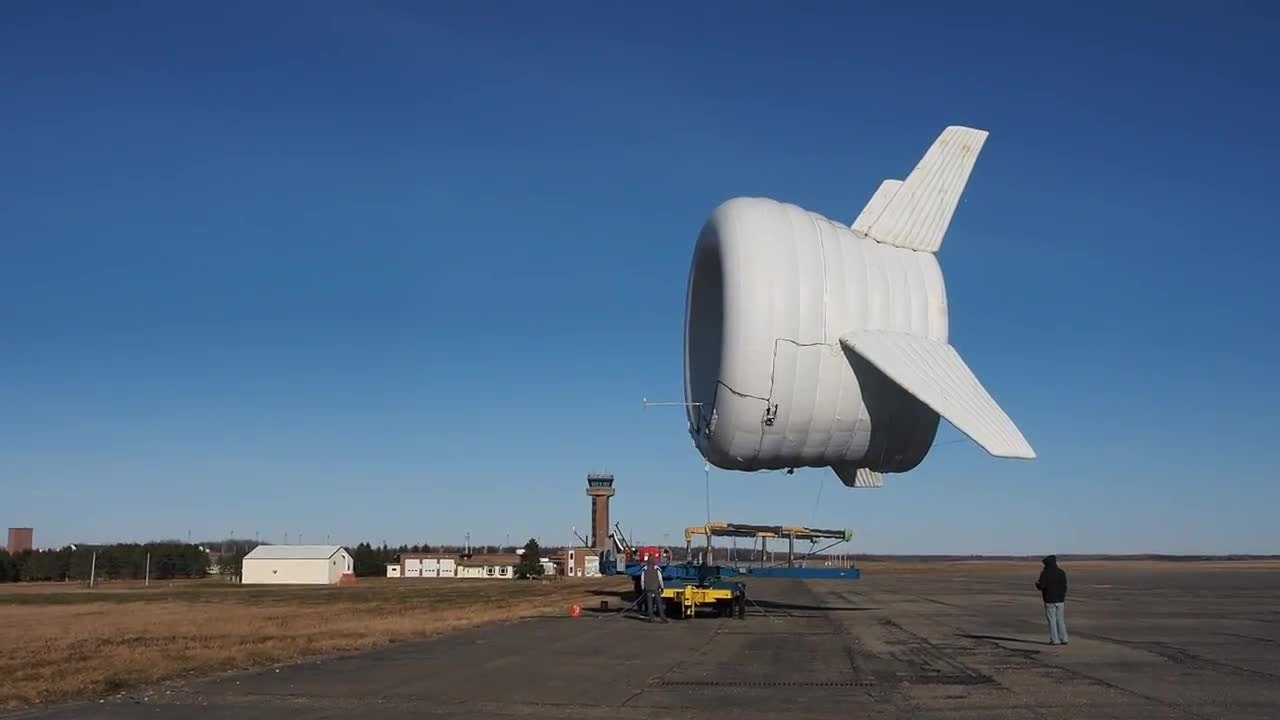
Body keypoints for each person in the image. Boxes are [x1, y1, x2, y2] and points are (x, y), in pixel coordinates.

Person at [1035, 555, 1069, 645]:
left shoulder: (1045, 573)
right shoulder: (1061, 572)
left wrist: (1037, 585)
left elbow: (1041, 586)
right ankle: (1064, 638)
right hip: (1060, 600)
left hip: (1050, 600)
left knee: (1052, 620)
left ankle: (1055, 640)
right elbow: (1065, 586)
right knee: (1060, 620)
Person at [640, 555, 666, 622]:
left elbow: (642, 580)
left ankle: (651, 618)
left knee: (649, 603)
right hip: (655, 588)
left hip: (648, 588)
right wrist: (662, 587)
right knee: (659, 603)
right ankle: (662, 618)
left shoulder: (644, 569)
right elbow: (660, 579)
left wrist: (643, 588)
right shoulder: (657, 568)